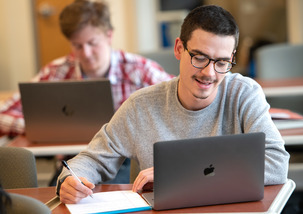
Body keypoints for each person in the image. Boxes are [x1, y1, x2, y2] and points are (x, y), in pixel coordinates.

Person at [57, 5, 289, 204]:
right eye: (199, 57)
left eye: (222, 62)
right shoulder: (141, 106)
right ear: (179, 49)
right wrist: (70, 180)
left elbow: (276, 164)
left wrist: (177, 175)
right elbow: (92, 159)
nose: (209, 73)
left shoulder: (244, 94)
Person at [0, 0, 173, 137]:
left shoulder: (139, 70)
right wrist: (44, 129)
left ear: (109, 36)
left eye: (92, 43)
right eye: (77, 46)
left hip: (125, 161)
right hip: (73, 162)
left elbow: (183, 101)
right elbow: (3, 113)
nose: (86, 53)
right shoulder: (56, 72)